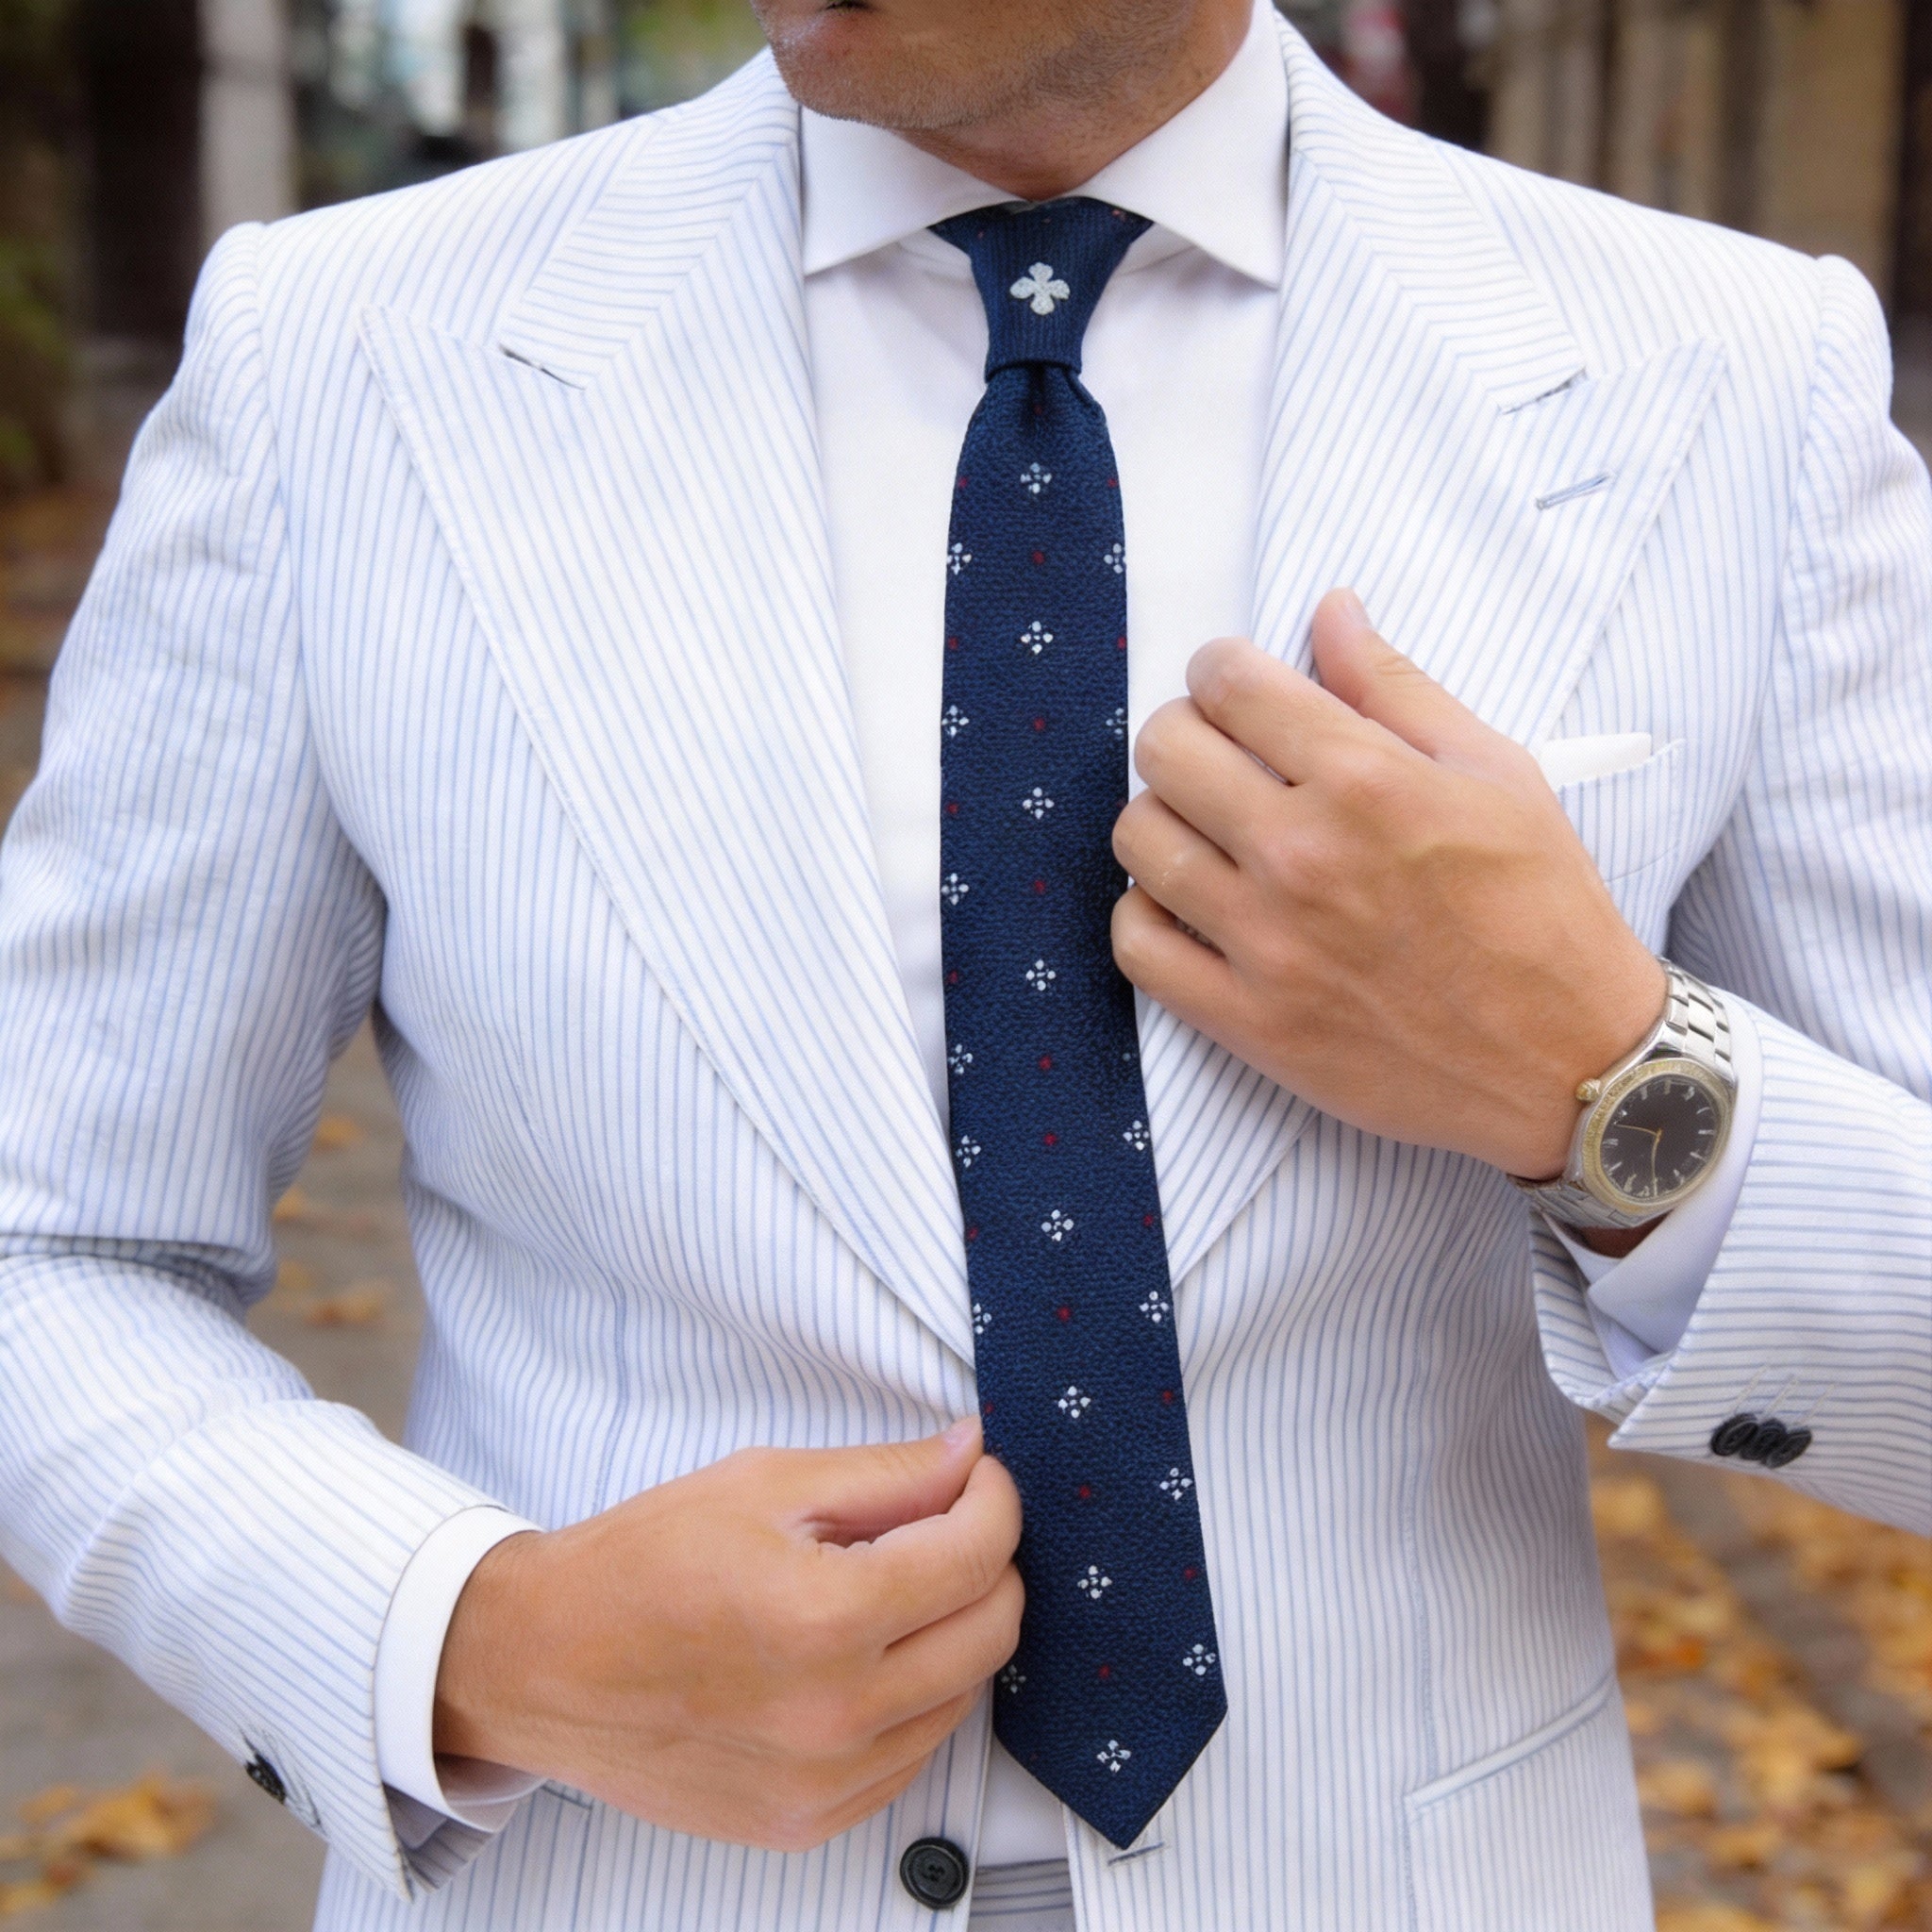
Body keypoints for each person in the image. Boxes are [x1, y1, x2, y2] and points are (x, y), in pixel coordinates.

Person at [0, 0, 1925, 1925]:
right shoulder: (336, 357)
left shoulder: (1733, 382)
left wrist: (1603, 1081)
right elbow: (51, 1236)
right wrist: (470, 1638)